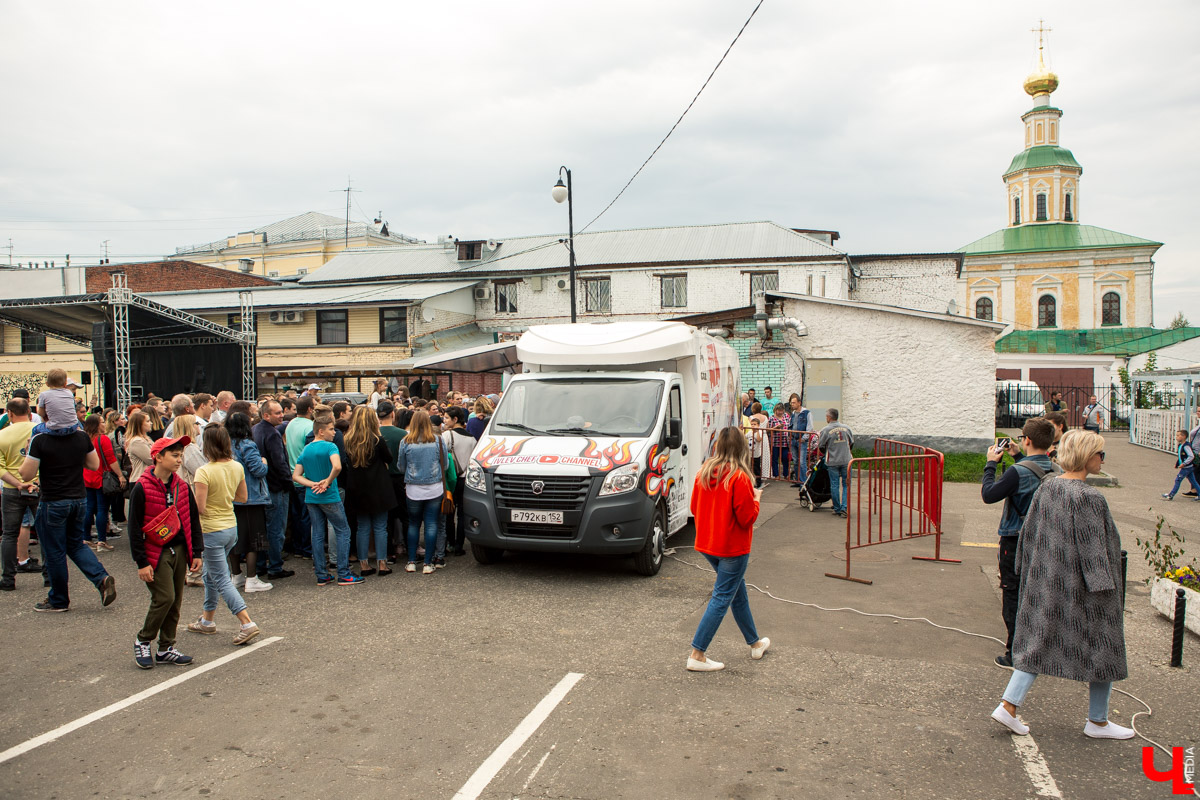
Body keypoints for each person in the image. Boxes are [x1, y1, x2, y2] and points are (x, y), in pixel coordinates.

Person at [990, 429, 1133, 740]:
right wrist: (1106, 590)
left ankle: (1009, 705)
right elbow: (1094, 548)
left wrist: (1025, 569)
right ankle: (1097, 721)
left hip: (1047, 579)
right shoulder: (1089, 497)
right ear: (1086, 456)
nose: (1102, 459)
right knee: (1104, 645)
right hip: (1085, 587)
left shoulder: (1048, 487)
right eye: (1099, 453)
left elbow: (1029, 532)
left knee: (1037, 641)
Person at [686, 426, 769, 672]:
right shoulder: (739, 477)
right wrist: (756, 499)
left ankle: (755, 644)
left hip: (708, 545)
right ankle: (697, 653)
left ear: (718, 446)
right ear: (741, 447)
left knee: (736, 593)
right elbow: (746, 518)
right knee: (723, 596)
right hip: (732, 547)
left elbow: (693, 507)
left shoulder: (703, 472)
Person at [981, 417, 1057, 668]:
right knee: (1036, 594)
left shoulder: (1018, 471)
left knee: (1013, 594)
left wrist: (991, 465)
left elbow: (989, 495)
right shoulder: (1054, 469)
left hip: (1015, 539)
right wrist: (1017, 457)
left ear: (1026, 440)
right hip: (1043, 539)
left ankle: (1015, 652)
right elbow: (1031, 483)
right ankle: (1039, 647)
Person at [19, 418, 117, 612]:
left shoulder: (40, 440)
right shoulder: (80, 437)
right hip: (78, 498)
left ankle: (59, 599)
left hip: (53, 500)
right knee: (75, 544)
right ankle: (101, 578)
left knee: (54, 552)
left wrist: (29, 451)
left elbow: (26, 474)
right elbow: (94, 464)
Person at [128, 436, 204, 669]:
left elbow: (192, 518)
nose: (179, 460)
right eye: (174, 455)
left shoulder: (181, 486)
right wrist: (141, 562)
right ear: (158, 457)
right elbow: (133, 527)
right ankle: (143, 639)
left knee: (176, 601)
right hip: (155, 551)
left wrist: (197, 552)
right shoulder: (141, 487)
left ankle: (166, 647)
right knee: (165, 597)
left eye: (180, 455)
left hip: (180, 548)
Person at [188, 424, 262, 645]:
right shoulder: (236, 466)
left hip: (210, 529)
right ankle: (207, 620)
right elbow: (242, 497)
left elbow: (199, 508)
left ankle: (246, 622)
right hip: (230, 526)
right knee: (211, 575)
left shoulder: (204, 471)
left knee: (220, 577)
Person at [294, 416, 362, 586]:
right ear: (321, 431)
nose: (334, 432)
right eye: (331, 429)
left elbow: (296, 476)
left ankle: (321, 573)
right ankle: (344, 572)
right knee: (343, 530)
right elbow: (337, 466)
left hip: (312, 495)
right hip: (329, 495)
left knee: (317, 533)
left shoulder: (307, 449)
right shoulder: (330, 446)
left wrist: (313, 484)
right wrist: (327, 481)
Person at [343, 405, 396, 576]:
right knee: (380, 526)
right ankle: (382, 563)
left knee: (362, 527)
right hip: (378, 486)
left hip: (357, 488)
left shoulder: (347, 440)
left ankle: (364, 564)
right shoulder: (377, 440)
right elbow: (389, 458)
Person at [397, 410, 449, 574]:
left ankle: (411, 561)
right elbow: (445, 465)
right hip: (434, 487)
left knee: (413, 524)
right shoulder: (438, 440)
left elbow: (401, 466)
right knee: (431, 524)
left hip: (413, 488)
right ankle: (428, 563)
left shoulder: (405, 441)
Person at [228, 413, 272, 593]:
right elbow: (258, 470)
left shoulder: (227, 444)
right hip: (251, 497)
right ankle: (252, 578)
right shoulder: (247, 445)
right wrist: (264, 462)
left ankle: (236, 575)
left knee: (236, 538)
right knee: (253, 539)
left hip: (232, 496)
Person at [0, 398, 41, 589]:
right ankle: (49, 577)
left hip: (11, 489)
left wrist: (17, 483)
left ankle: (8, 579)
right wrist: (35, 481)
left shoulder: (2, 434)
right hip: (38, 486)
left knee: (9, 534)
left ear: (10, 413)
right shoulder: (40, 430)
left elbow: (0, 468)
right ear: (29, 411)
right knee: (46, 533)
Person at [253, 400, 295, 580]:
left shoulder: (256, 430)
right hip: (276, 487)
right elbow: (280, 462)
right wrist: (288, 483)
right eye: (277, 413)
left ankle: (261, 564)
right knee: (276, 529)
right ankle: (275, 566)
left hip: (262, 487)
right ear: (266, 415)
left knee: (263, 529)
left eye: (281, 412)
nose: (281, 416)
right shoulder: (272, 434)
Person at [81, 415, 125, 551]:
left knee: (89, 508)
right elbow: (111, 459)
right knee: (102, 509)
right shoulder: (102, 439)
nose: (104, 424)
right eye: (101, 422)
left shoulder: (83, 438)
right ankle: (101, 540)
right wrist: (120, 475)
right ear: (96, 425)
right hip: (101, 477)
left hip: (86, 476)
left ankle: (86, 537)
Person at [284, 396, 316, 559]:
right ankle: (306, 548)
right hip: (305, 476)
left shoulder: (290, 425)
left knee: (296, 514)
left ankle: (298, 546)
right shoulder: (310, 426)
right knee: (306, 516)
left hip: (292, 475)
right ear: (310, 409)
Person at [377, 401, 408, 563]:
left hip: (383, 480)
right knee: (405, 515)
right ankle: (409, 550)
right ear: (393, 414)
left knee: (386, 517)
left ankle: (389, 553)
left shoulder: (375, 435)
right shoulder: (403, 434)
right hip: (401, 479)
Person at [442, 407, 474, 558]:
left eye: (447, 418)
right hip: (466, 480)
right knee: (462, 513)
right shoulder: (472, 438)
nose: (444, 420)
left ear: (455, 420)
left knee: (449, 512)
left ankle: (450, 542)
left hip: (451, 479)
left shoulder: (447, 435)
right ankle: (459, 545)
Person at [817, 409, 854, 518]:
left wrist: (828, 453)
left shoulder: (825, 430)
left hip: (833, 461)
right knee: (846, 484)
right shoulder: (847, 428)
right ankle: (844, 507)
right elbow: (851, 443)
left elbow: (821, 446)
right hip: (846, 460)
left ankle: (837, 508)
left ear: (829, 417)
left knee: (834, 484)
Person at [35, 368, 82, 434]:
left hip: (55, 428)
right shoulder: (69, 393)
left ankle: (30, 443)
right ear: (65, 384)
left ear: (47, 384)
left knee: (35, 429)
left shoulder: (43, 395)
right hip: (73, 426)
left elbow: (41, 414)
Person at [1162, 429, 1200, 501]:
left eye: (1178, 435)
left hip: (1187, 467)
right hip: (1187, 467)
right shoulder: (1181, 445)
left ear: (1184, 436)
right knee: (1193, 481)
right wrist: (1177, 464)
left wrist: (1184, 463)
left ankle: (1171, 495)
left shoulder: (1186, 446)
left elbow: (1191, 456)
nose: (1176, 437)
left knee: (1178, 480)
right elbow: (1180, 456)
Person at [787, 394, 816, 486]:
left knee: (802, 462)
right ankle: (798, 480)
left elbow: (810, 427)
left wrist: (804, 438)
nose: (792, 405)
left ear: (799, 403)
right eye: (791, 403)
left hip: (801, 440)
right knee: (795, 461)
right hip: (793, 439)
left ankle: (804, 482)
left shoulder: (807, 413)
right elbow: (791, 425)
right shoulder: (793, 413)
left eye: (794, 403)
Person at [125, 410, 155, 484]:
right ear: (139, 424)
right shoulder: (137, 441)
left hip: (147, 478)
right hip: (140, 479)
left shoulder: (146, 439)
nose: (151, 423)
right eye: (147, 421)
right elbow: (151, 459)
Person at [767, 403, 790, 479]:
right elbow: (768, 430)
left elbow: (789, 425)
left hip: (785, 441)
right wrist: (776, 427)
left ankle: (786, 474)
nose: (780, 412)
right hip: (775, 442)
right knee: (775, 459)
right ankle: (776, 475)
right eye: (779, 410)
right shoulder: (771, 418)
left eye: (782, 410)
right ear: (775, 410)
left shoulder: (786, 416)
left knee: (785, 458)